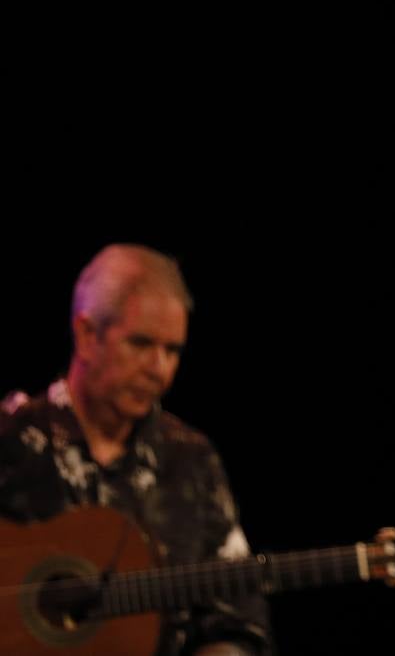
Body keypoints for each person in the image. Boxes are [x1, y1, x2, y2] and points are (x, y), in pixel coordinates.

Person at [0, 244, 272, 656]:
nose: (159, 368)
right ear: (87, 335)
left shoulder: (192, 461)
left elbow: (237, 621)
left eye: (173, 350)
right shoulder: (11, 444)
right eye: (141, 344)